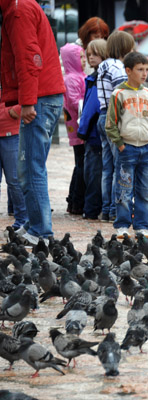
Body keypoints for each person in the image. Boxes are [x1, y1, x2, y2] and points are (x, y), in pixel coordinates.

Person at [1, 0, 65, 245]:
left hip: (39, 97)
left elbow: (29, 57)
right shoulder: (20, 6)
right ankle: (34, 225)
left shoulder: (17, 9)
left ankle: (40, 231)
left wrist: (27, 101)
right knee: (29, 166)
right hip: (44, 94)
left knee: (30, 168)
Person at [105, 52, 148, 238]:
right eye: (140, 69)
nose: (144, 73)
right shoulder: (118, 94)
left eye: (146, 69)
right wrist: (120, 144)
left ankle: (142, 226)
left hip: (147, 149)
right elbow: (111, 123)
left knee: (146, 190)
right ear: (128, 71)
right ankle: (122, 225)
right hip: (127, 148)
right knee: (123, 188)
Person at [97, 30, 136, 222]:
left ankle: (106, 208)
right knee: (120, 165)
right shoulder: (120, 68)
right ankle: (115, 210)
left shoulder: (104, 65)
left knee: (107, 167)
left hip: (102, 115)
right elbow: (123, 95)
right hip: (114, 118)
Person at [77, 39, 107, 220]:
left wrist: (83, 131)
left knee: (93, 174)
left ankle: (91, 210)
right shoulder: (94, 78)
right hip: (96, 134)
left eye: (95, 54)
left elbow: (91, 108)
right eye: (89, 54)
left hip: (94, 135)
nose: (91, 57)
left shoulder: (97, 79)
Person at [61, 43, 87, 216]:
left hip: (79, 125)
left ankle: (74, 200)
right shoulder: (71, 78)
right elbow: (73, 101)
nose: (84, 60)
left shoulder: (80, 76)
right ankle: (76, 202)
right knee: (81, 164)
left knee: (80, 163)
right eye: (81, 57)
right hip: (78, 127)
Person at [0, 98, 27, 229]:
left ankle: (23, 221)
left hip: (12, 132)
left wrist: (13, 111)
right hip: (10, 126)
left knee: (15, 180)